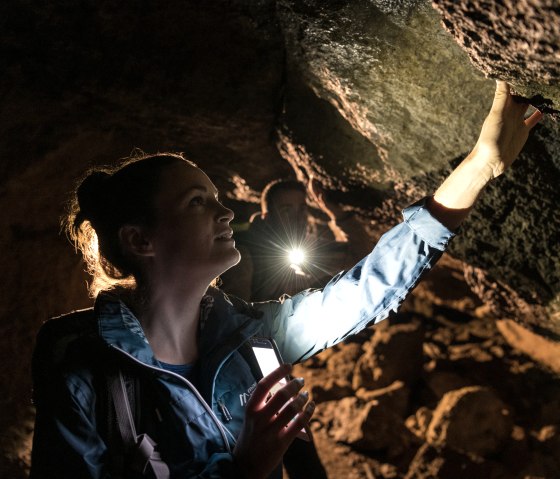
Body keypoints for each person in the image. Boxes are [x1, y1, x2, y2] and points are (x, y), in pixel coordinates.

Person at [30, 82, 542, 479]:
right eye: (197, 203)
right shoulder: (81, 360)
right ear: (142, 241)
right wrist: (246, 470)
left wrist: (479, 166)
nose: (226, 212)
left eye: (216, 196)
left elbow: (369, 286)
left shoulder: (252, 335)